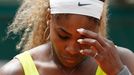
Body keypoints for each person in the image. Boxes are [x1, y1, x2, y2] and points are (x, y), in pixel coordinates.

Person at [0, 0, 134, 75]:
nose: (72, 49)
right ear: (49, 18)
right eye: (63, 36)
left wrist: (119, 72)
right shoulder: (16, 72)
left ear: (98, 24)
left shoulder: (124, 61)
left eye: (83, 38)